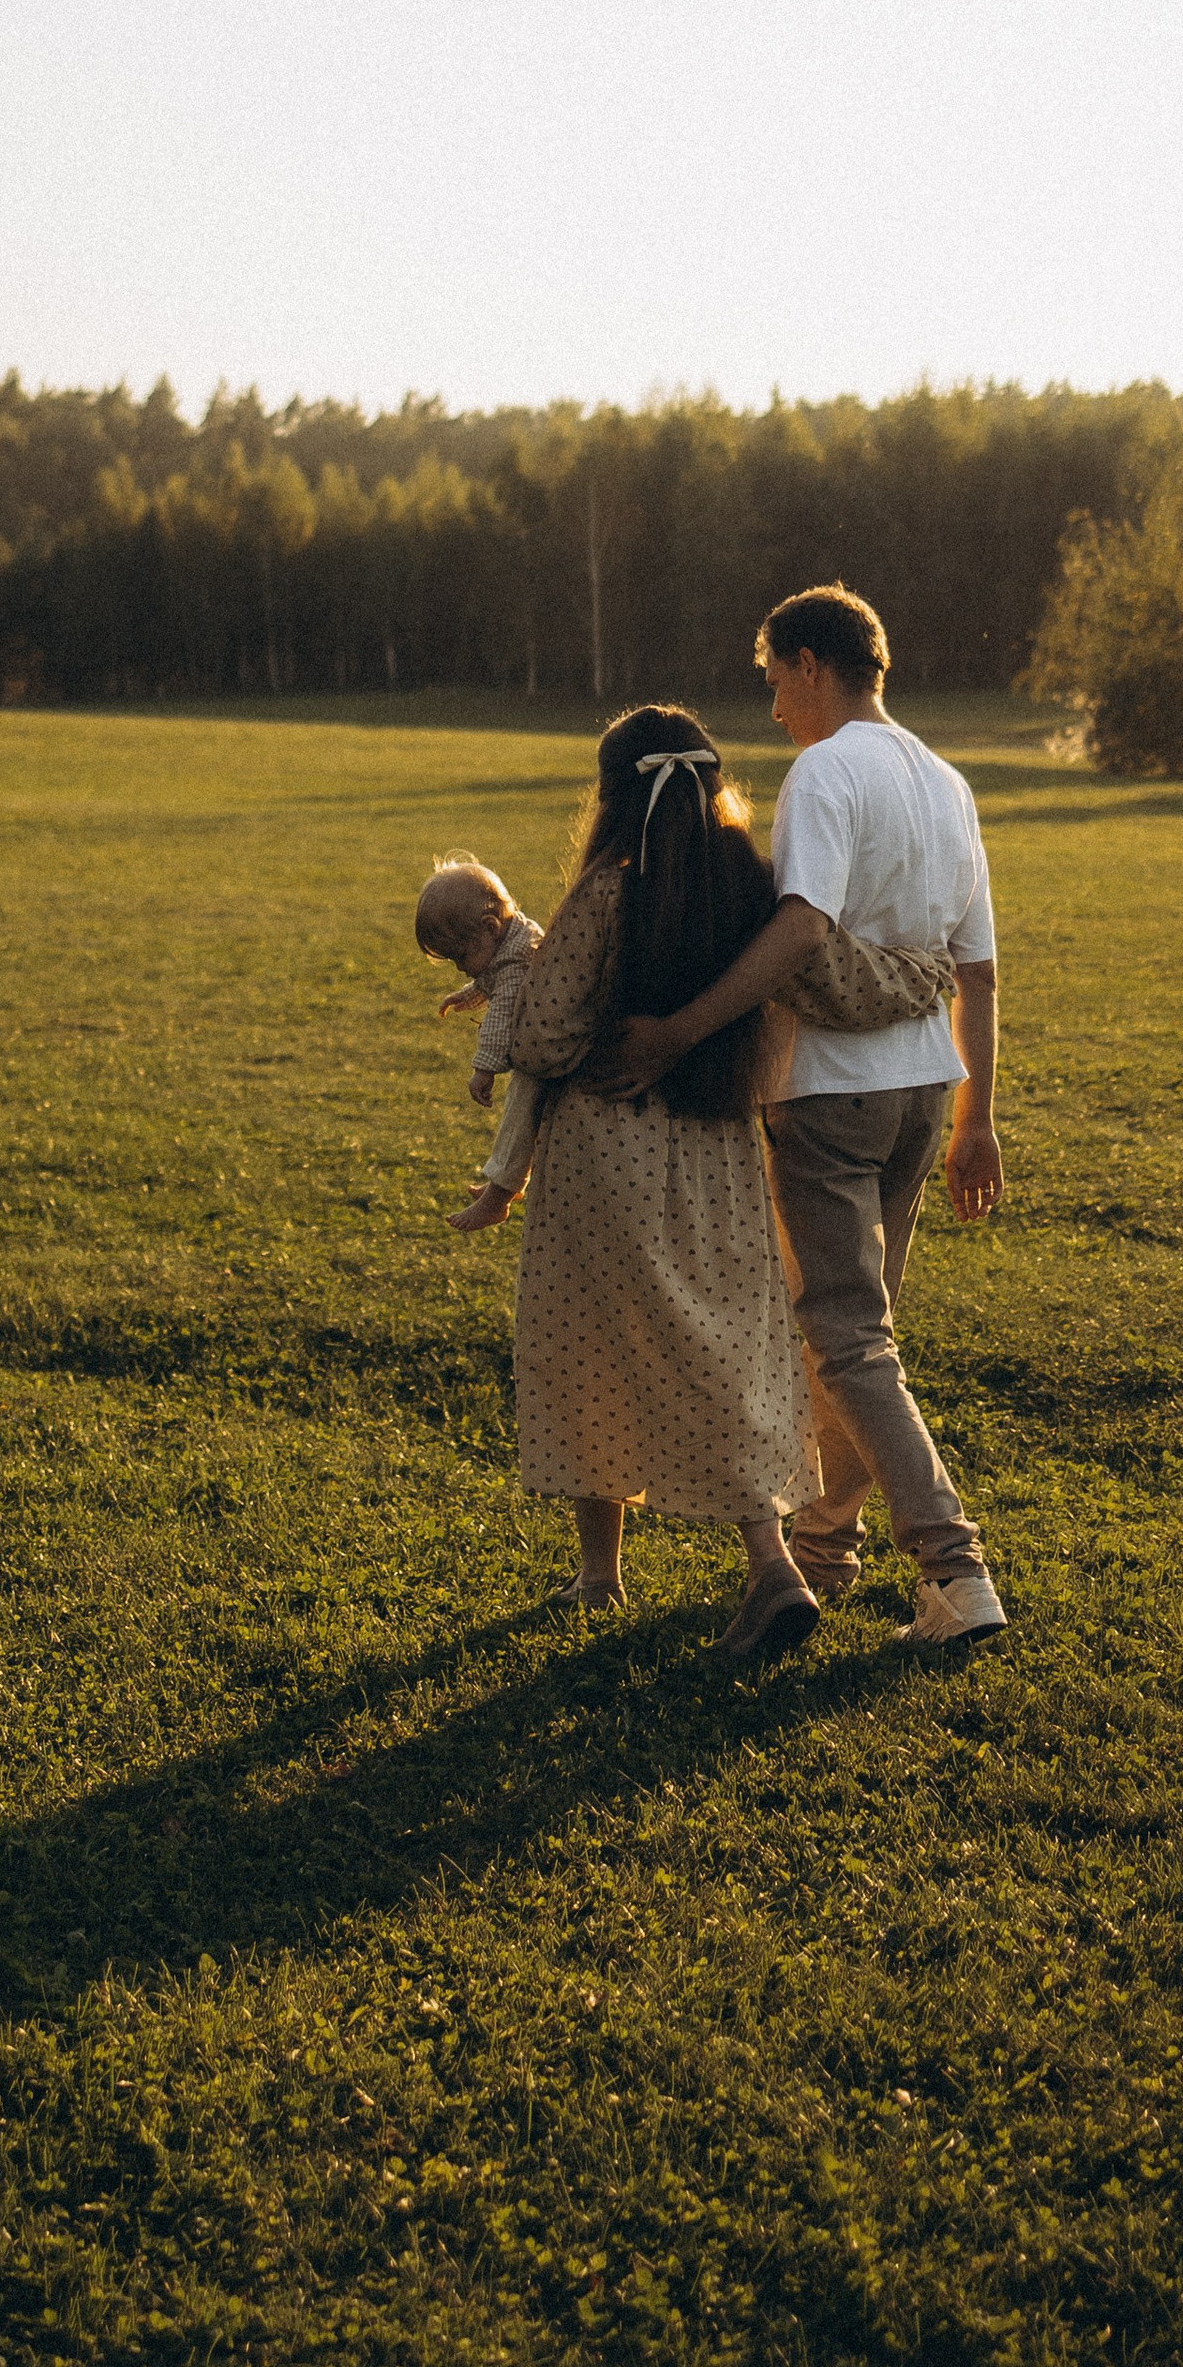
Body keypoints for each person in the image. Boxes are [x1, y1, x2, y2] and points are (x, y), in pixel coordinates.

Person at [592, 586, 1007, 1649]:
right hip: (924, 1087)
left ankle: (955, 1574)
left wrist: (680, 1031)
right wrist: (976, 1119)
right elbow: (979, 970)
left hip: (830, 1089)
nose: (773, 702)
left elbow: (798, 932)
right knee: (857, 1339)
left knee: (846, 1341)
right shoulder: (946, 781)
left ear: (813, 663)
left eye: (774, 675)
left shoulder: (826, 771)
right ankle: (821, 1549)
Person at [498, 704, 823, 1660]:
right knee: (713, 1347)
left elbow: (544, 1036)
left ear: (613, 797)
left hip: (608, 1154)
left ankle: (622, 1573)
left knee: (591, 1348)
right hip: (718, 1153)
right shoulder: (749, 886)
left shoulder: (612, 891)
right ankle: (763, 1556)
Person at [414, 856, 546, 1228]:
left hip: (562, 1052)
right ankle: (503, 1185)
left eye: (460, 955)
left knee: (522, 1106)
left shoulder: (517, 960)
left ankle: (499, 1196)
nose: (461, 966)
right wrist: (467, 996)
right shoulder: (511, 942)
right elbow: (492, 982)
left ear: (490, 928)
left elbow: (502, 1013)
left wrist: (483, 1069)